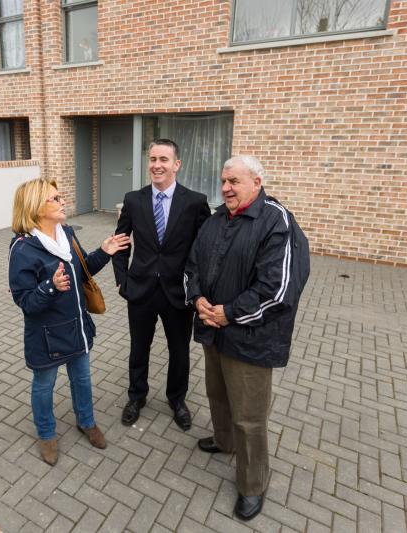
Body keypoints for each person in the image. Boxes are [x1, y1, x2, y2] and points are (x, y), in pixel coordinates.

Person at [184, 155, 310, 521]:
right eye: (223, 181)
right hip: (213, 330)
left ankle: (253, 483)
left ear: (257, 182)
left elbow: (279, 289)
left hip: (251, 338)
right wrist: (198, 300)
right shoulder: (216, 219)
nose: (226, 188)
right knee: (217, 395)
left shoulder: (276, 221)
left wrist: (228, 313)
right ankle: (224, 442)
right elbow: (192, 266)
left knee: (249, 417)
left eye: (234, 181)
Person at [9, 177, 130, 465]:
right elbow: (25, 301)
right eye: (55, 198)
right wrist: (49, 287)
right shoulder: (23, 249)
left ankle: (86, 421)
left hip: (77, 326)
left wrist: (105, 252)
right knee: (43, 385)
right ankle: (47, 433)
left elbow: (82, 270)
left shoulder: (67, 234)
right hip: (46, 336)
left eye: (61, 197)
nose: (63, 202)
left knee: (83, 379)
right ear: (36, 206)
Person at [112, 139, 211, 430]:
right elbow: (121, 243)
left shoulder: (195, 202)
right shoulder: (133, 199)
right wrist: (122, 280)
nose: (157, 165)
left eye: (164, 159)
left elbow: (205, 249)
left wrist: (197, 287)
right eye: (153, 159)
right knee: (138, 346)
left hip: (178, 293)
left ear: (176, 164)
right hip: (140, 290)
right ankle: (136, 396)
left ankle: (177, 399)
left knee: (179, 349)